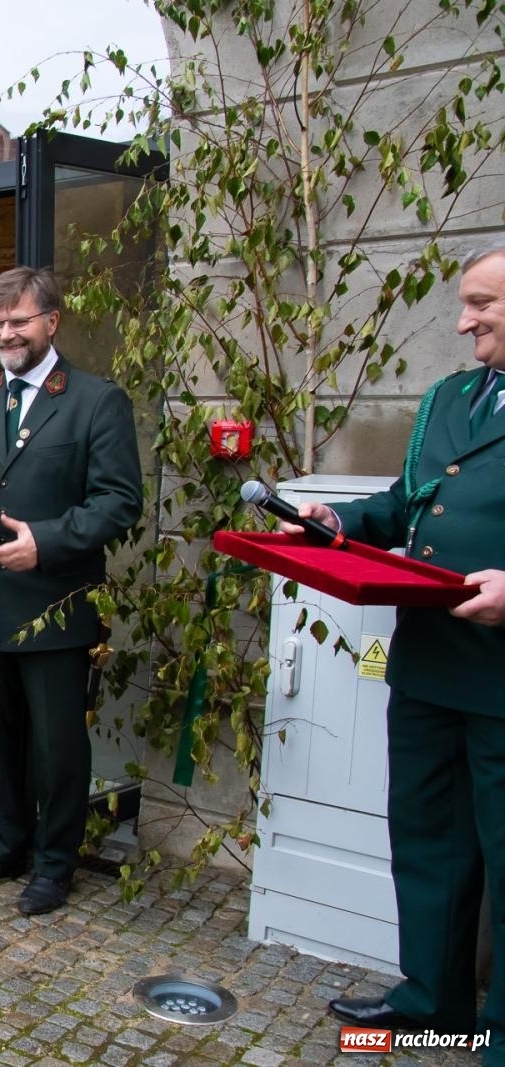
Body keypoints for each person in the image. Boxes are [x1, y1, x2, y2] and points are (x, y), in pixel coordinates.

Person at [289, 242, 505, 1054]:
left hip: (502, 673)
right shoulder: (453, 394)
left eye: (482, 303)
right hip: (430, 661)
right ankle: (433, 999)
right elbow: (409, 501)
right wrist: (342, 523)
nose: (463, 320)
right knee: (427, 838)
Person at [0, 266, 142, 916]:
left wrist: (44, 540)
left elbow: (120, 502)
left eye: (18, 320)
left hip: (54, 604)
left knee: (56, 747)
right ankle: (2, 844)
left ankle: (54, 862)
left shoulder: (96, 401)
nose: (5, 333)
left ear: (52, 321)